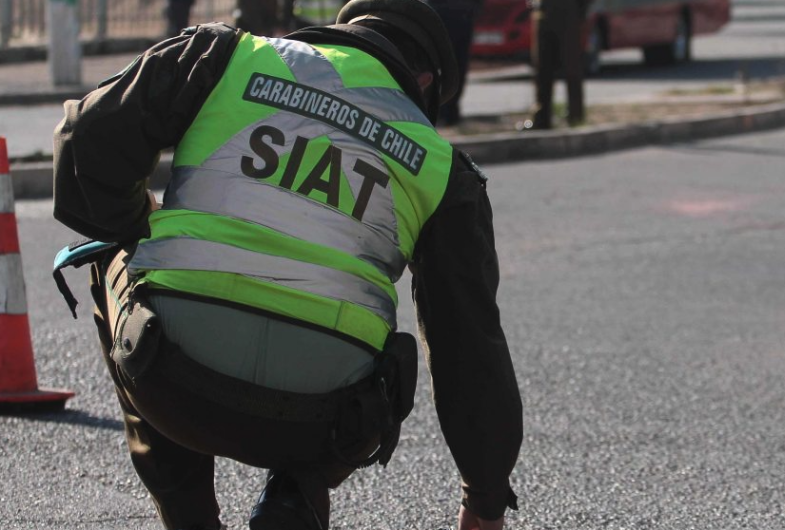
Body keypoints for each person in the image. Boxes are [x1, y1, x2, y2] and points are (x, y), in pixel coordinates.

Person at [51, 1, 523, 529]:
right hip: (326, 421)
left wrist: (140, 222)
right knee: (380, 345)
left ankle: (190, 519)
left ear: (344, 32)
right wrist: (484, 498)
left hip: (169, 379)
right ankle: (295, 496)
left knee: (111, 251)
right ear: (426, 82)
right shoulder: (441, 168)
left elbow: (85, 139)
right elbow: (469, 345)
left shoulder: (225, 55)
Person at [529, 0, 588, 129]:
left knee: (571, 67)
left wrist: (579, 12)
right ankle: (542, 118)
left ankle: (575, 116)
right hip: (543, 11)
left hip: (568, 13)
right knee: (542, 70)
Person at [428, 0, 483, 126]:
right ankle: (445, 111)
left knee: (455, 66)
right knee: (449, 65)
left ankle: (448, 111)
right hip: (448, 13)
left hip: (457, 13)